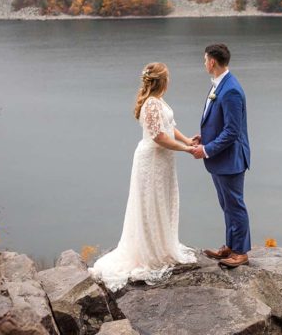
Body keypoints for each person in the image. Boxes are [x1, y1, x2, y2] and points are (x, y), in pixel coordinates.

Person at [90, 62, 197, 291]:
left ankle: (162, 244)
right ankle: (151, 251)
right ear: (163, 81)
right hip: (153, 160)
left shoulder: (158, 101)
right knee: (150, 204)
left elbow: (169, 126)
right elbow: (159, 137)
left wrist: (187, 140)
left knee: (162, 202)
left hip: (163, 161)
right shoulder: (151, 104)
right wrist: (186, 149)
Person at [189, 43, 251, 268]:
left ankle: (241, 252)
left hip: (231, 159)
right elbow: (219, 122)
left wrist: (206, 150)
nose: (204, 63)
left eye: (205, 59)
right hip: (221, 159)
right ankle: (230, 246)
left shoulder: (231, 89)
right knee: (226, 204)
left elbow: (232, 131)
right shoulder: (220, 84)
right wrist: (204, 137)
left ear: (212, 61)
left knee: (235, 205)